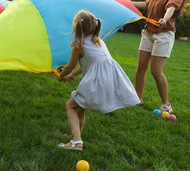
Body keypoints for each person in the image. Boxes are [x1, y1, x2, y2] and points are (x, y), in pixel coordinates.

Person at [57, 10, 140, 151]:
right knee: (80, 108)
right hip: (108, 80)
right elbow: (91, 64)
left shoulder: (79, 45)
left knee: (71, 106)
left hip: (96, 82)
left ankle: (76, 142)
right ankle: (77, 136)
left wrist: (62, 75)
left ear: (77, 26)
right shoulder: (99, 41)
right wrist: (74, 75)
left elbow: (70, 66)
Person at [131, 0, 190, 113]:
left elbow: (171, 7)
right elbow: (147, 3)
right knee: (141, 67)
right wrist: (127, 3)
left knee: (156, 71)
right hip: (148, 32)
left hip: (163, 34)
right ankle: (138, 99)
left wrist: (165, 19)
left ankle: (166, 104)